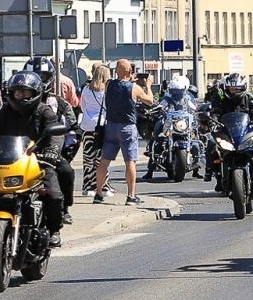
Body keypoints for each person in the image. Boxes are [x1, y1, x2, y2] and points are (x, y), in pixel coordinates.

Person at [0, 70, 70, 244]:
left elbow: (55, 132)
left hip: (39, 160)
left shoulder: (44, 111)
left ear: (35, 93)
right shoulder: (6, 112)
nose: (21, 96)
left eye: (25, 92)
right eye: (18, 91)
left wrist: (52, 150)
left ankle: (54, 229)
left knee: (54, 194)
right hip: (11, 161)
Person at [94, 58, 152, 206]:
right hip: (127, 128)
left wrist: (127, 78)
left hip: (111, 127)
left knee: (104, 162)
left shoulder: (109, 84)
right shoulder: (134, 88)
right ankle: (131, 196)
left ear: (116, 71)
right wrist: (148, 86)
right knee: (130, 162)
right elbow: (150, 101)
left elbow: (119, 85)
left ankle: (99, 193)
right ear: (130, 71)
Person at [24, 57, 75, 220]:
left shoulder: (59, 104)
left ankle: (64, 209)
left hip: (47, 154)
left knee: (66, 171)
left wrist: (60, 151)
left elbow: (72, 129)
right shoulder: (13, 104)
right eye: (34, 75)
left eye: (43, 76)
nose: (38, 80)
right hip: (19, 154)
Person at [203, 73, 253, 190]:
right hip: (226, 130)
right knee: (212, 144)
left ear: (242, 87)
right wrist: (212, 120)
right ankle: (212, 172)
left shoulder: (248, 97)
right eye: (231, 88)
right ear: (226, 88)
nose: (234, 91)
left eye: (237, 88)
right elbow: (215, 111)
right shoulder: (220, 98)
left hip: (245, 130)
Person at [146, 75, 197, 181]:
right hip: (169, 122)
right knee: (157, 133)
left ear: (184, 90)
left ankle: (196, 167)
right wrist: (158, 108)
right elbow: (161, 105)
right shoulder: (167, 98)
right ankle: (150, 169)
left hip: (183, 123)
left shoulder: (187, 99)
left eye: (179, 90)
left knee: (196, 140)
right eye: (174, 90)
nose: (176, 93)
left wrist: (200, 109)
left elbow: (194, 107)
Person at [79, 63, 111, 197]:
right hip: (102, 127)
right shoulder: (106, 91)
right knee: (102, 159)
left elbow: (82, 106)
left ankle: (87, 186)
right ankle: (103, 186)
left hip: (87, 126)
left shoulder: (86, 89)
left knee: (88, 158)